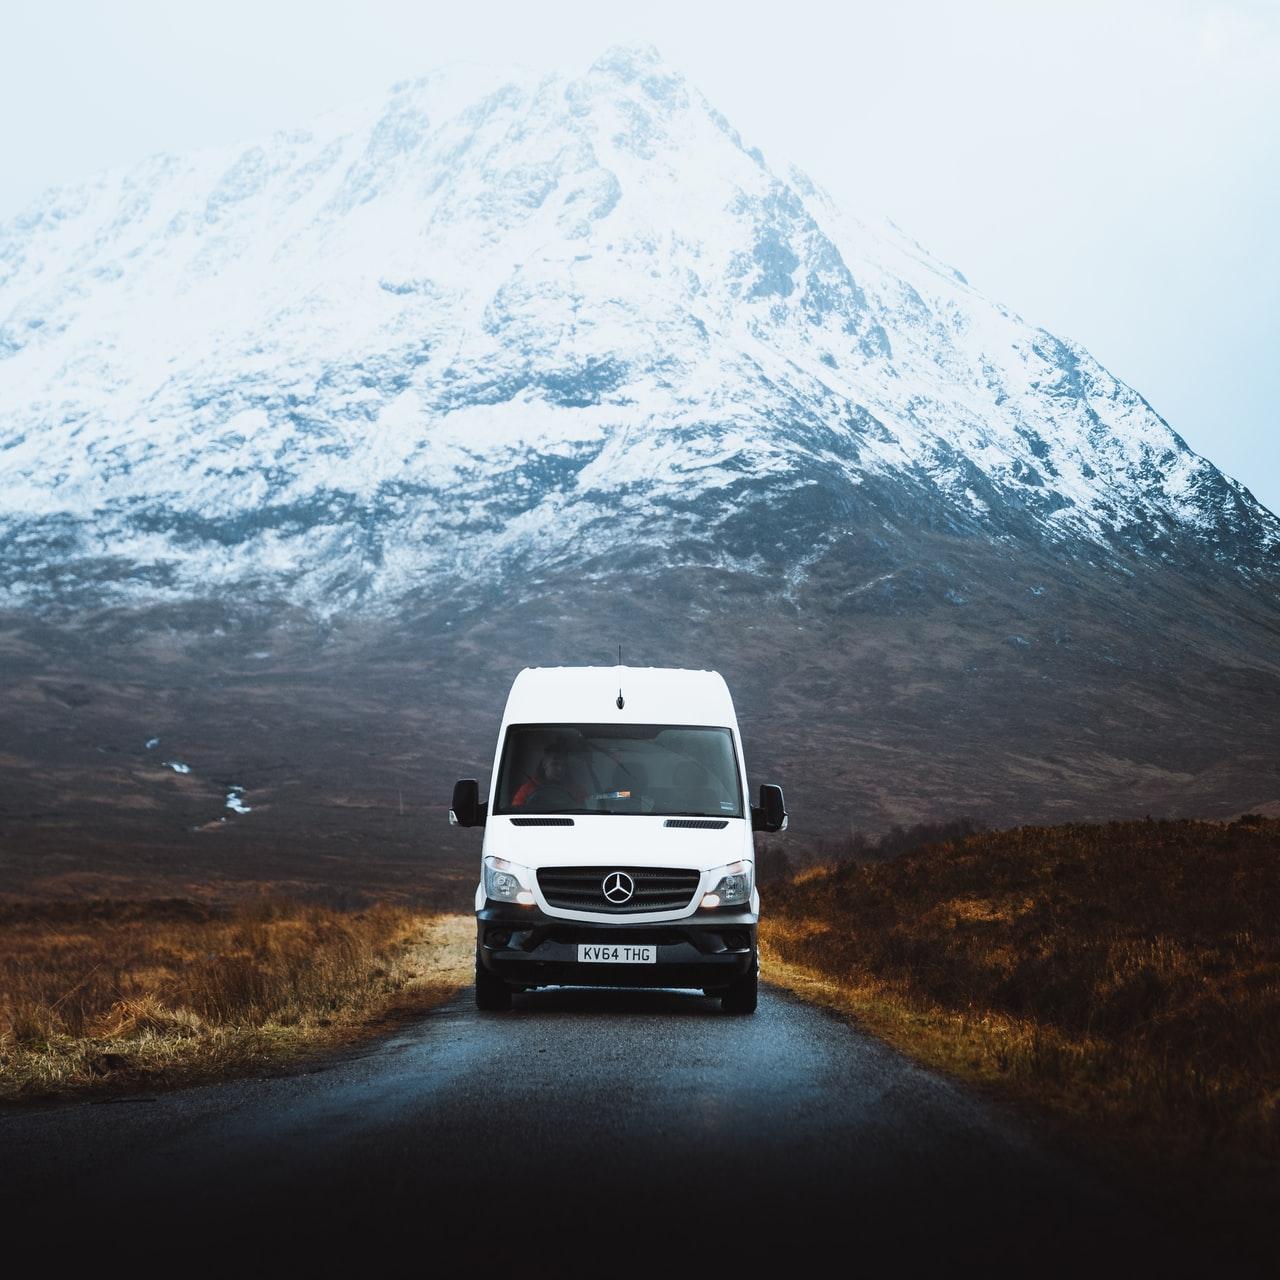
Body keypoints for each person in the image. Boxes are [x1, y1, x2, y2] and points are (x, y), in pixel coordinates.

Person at [511, 738, 585, 809]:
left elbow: (585, 811)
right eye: (555, 764)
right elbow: (516, 811)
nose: (560, 769)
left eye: (564, 765)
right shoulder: (527, 790)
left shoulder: (575, 790)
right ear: (544, 764)